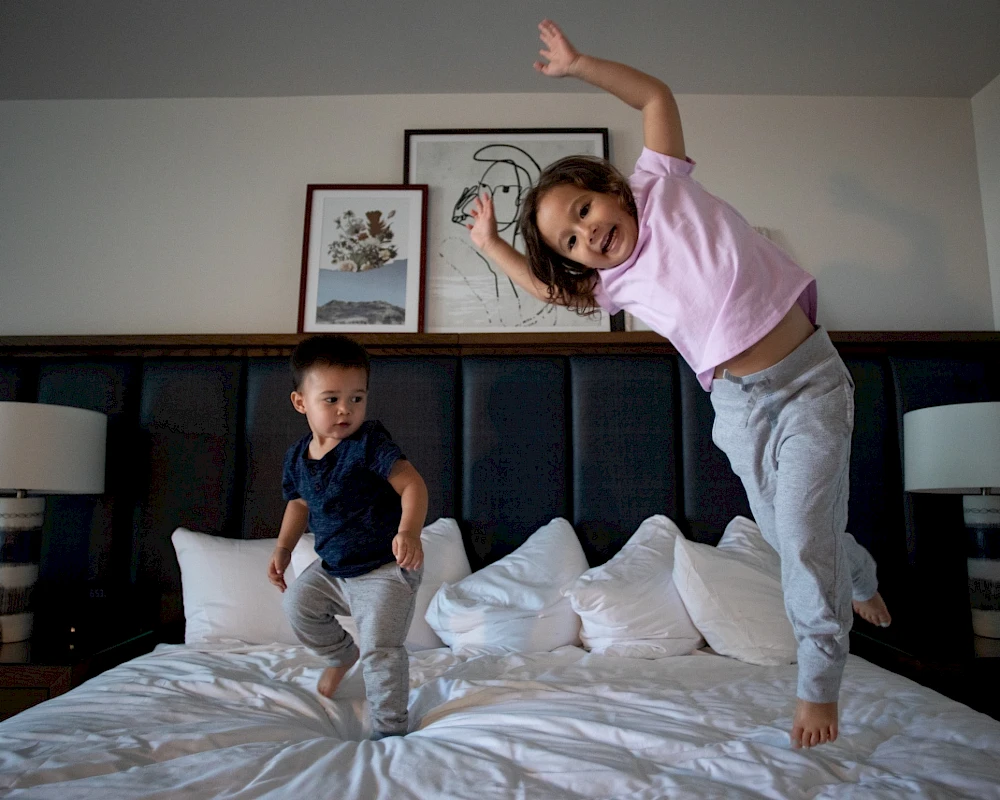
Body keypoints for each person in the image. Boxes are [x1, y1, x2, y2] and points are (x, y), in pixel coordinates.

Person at [466, 19, 892, 750]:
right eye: (570, 241)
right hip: (741, 409)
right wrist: (493, 245)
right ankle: (856, 571)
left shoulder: (659, 182)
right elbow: (547, 292)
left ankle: (819, 684)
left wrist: (578, 66)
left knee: (799, 533)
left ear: (608, 189)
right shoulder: (610, 287)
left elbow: (654, 95)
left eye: (583, 212)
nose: (587, 235)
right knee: (796, 535)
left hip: (813, 384)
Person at [267, 334, 427, 740]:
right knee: (298, 605)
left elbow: (412, 486)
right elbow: (299, 505)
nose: (346, 410)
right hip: (333, 568)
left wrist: (408, 530)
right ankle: (341, 655)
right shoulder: (297, 456)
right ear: (300, 402)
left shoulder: (368, 443)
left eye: (357, 398)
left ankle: (390, 731)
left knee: (382, 650)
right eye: (331, 399)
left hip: (384, 570)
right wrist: (284, 548)